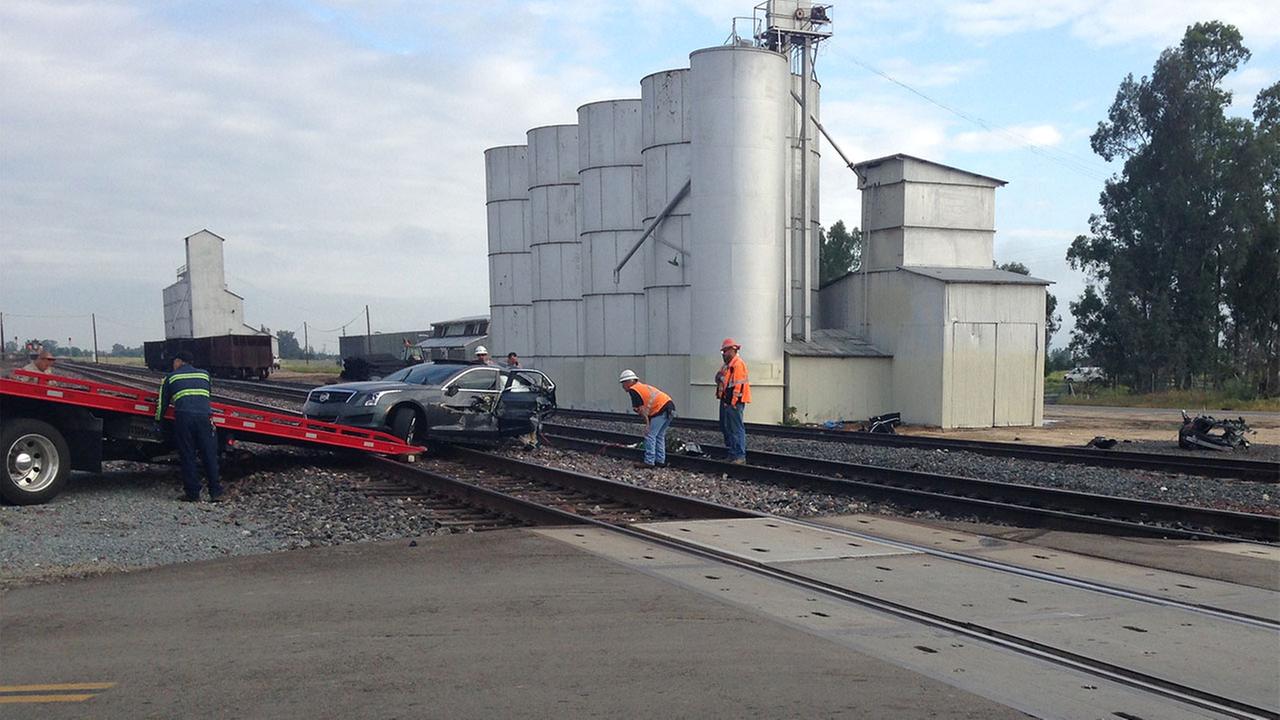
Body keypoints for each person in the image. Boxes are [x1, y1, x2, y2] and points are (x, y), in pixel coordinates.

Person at [155, 351, 223, 502]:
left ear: (179, 361)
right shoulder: (205, 375)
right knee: (209, 454)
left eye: (174, 362)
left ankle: (192, 494)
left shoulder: (171, 377)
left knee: (188, 455)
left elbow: (162, 404)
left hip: (184, 418)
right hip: (205, 417)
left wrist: (158, 422)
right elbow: (207, 395)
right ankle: (216, 492)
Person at [619, 369, 675, 469]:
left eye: (623, 383)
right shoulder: (641, 387)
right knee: (659, 436)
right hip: (670, 407)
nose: (623, 386)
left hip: (661, 410)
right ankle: (660, 460)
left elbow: (642, 410)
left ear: (629, 382)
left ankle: (649, 461)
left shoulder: (634, 390)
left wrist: (647, 424)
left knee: (650, 435)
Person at [714, 338, 751, 464]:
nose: (723, 354)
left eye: (725, 351)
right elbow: (718, 377)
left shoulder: (737, 364)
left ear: (732, 350)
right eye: (723, 352)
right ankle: (732, 453)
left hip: (734, 402)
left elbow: (738, 386)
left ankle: (739, 455)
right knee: (727, 427)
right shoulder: (727, 365)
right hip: (727, 400)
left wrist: (734, 402)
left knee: (735, 428)